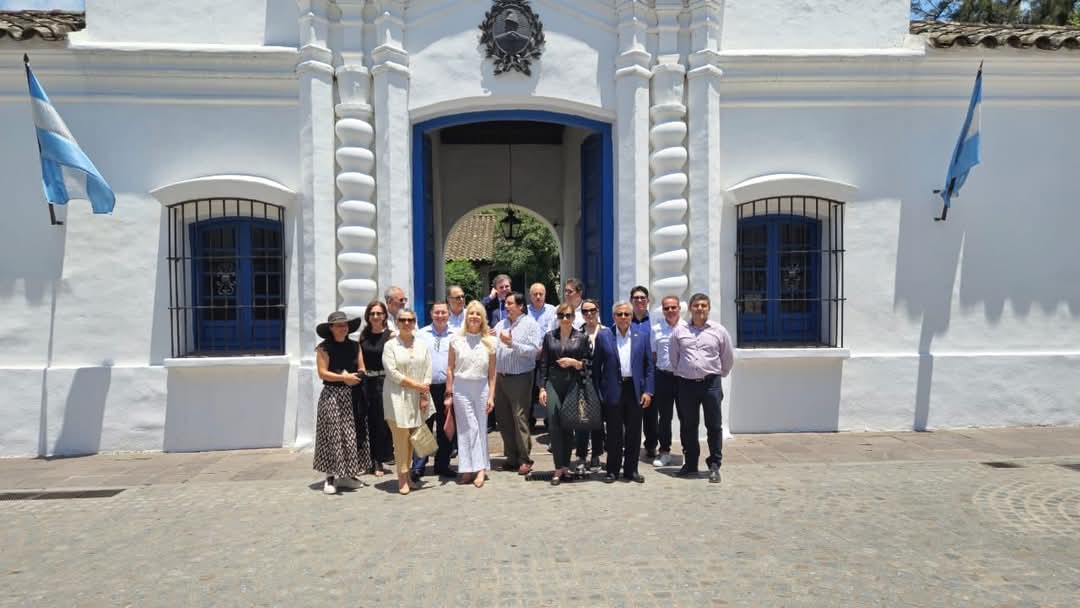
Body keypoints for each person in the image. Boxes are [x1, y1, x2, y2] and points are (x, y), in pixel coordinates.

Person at [669, 293, 735, 483]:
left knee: (714, 425)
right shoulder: (680, 331)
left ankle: (714, 465)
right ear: (690, 308)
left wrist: (718, 373)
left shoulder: (719, 331)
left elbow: (727, 357)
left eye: (703, 305)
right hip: (687, 384)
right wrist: (685, 371)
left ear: (709, 308)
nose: (700, 309)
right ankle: (690, 464)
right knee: (688, 425)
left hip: (710, 384)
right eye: (696, 305)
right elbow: (674, 357)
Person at [312, 311, 370, 495]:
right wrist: (343, 378)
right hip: (332, 395)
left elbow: (362, 367)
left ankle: (348, 475)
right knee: (333, 435)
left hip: (353, 393)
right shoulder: (323, 348)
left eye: (345, 325)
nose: (343, 328)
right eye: (338, 325)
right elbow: (322, 373)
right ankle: (330, 476)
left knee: (352, 434)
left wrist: (358, 376)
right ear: (331, 328)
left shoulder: (355, 346)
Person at [537, 302, 591, 485]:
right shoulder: (549, 337)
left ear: (574, 317)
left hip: (573, 383)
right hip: (553, 382)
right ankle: (558, 467)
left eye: (568, 315)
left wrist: (574, 363)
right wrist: (542, 388)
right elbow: (544, 364)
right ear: (558, 318)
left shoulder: (581, 337)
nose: (565, 319)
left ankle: (566, 466)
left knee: (568, 424)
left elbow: (589, 363)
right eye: (561, 316)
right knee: (554, 423)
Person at [445, 300, 497, 488]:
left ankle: (480, 468)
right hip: (461, 388)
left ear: (483, 318)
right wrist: (449, 392)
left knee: (480, 427)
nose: (474, 317)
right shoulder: (456, 340)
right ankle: (467, 468)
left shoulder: (490, 342)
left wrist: (491, 396)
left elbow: (492, 373)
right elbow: (450, 368)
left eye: (478, 314)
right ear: (466, 317)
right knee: (467, 428)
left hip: (481, 387)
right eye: (471, 313)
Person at [382, 308, 433, 495]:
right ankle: (402, 479)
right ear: (397, 322)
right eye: (402, 320)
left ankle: (409, 476)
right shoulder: (390, 346)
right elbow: (392, 373)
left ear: (414, 322)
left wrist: (424, 395)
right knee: (401, 439)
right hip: (397, 397)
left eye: (410, 320)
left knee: (413, 438)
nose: (406, 323)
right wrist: (417, 386)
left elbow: (428, 370)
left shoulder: (422, 345)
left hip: (418, 397)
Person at [492, 291, 542, 475]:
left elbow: (534, 351)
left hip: (520, 377)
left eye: (510, 303)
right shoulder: (501, 324)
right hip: (501, 377)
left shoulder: (530, 325)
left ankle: (524, 459)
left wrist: (512, 344)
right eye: (505, 303)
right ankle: (511, 457)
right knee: (503, 418)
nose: (506, 307)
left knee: (519, 417)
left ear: (520, 306)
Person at [604, 302, 654, 483]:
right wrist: (602, 393)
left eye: (626, 314)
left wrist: (648, 391)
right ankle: (612, 470)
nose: (623, 317)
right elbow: (597, 367)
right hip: (614, 390)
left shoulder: (642, 336)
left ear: (631, 316)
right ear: (614, 317)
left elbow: (649, 367)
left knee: (634, 432)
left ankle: (631, 470)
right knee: (614, 432)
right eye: (619, 314)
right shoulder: (604, 336)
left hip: (635, 389)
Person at [411, 301, 455, 481]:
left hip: (447, 387)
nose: (440, 316)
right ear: (431, 314)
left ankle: (442, 464)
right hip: (426, 386)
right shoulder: (421, 335)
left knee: (445, 427)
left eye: (443, 312)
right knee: (424, 426)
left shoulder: (455, 335)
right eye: (437, 312)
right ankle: (418, 466)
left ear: (448, 314)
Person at [575, 298, 617, 472]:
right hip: (582, 382)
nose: (589, 314)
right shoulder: (578, 333)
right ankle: (581, 456)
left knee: (598, 421)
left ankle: (596, 455)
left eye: (592, 310)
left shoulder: (607, 332)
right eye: (585, 311)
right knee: (582, 419)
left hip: (601, 382)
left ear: (598, 311)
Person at [645, 295, 685, 467]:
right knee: (664, 418)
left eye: (673, 307)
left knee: (686, 417)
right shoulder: (656, 329)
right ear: (663, 310)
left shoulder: (688, 328)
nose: (670, 311)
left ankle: (688, 452)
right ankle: (665, 452)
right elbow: (653, 355)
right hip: (663, 377)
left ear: (679, 308)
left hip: (684, 379)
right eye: (666, 308)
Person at [358, 300, 393, 476]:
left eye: (379, 313)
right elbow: (360, 360)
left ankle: (379, 460)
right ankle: (368, 460)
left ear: (385, 316)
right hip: (366, 383)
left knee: (380, 423)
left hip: (383, 382)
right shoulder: (363, 336)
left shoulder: (390, 336)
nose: (376, 316)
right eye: (372, 313)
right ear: (368, 316)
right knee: (367, 422)